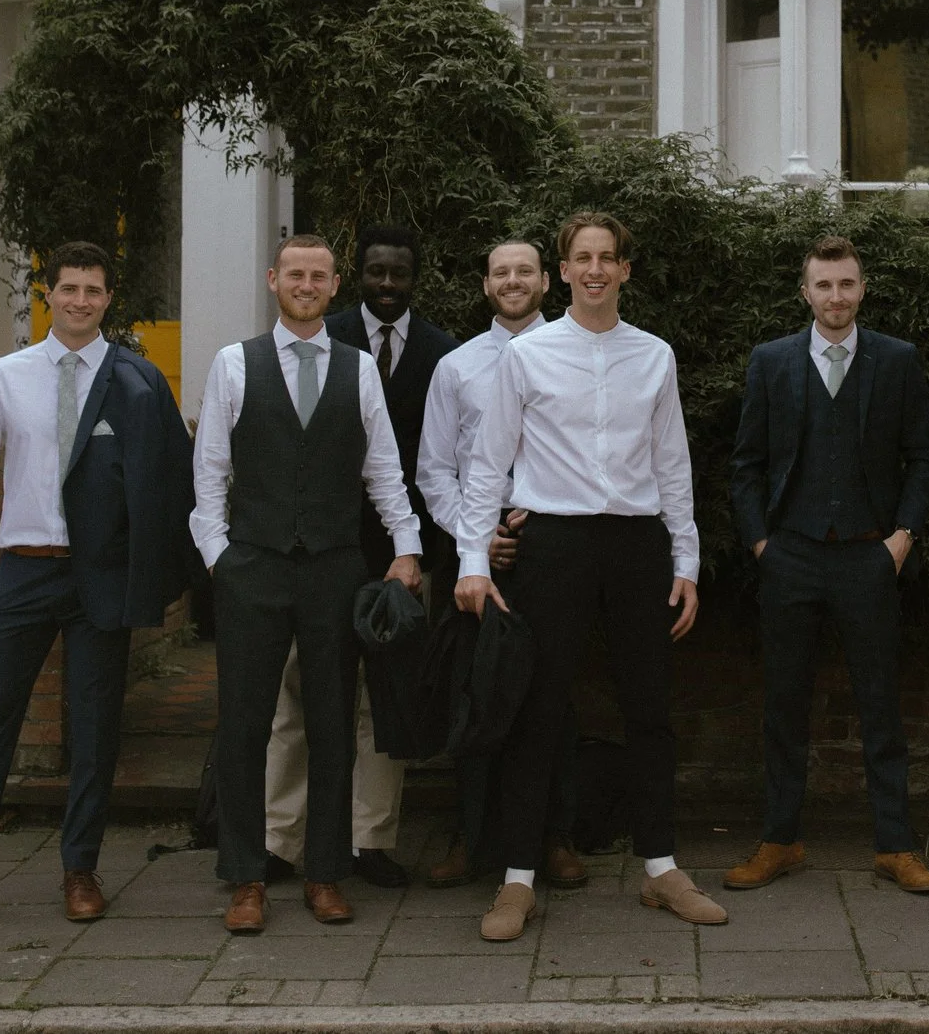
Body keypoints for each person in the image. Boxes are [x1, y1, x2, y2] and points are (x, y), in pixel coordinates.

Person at [0, 242, 194, 928]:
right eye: (69, 288)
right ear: (47, 293)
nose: (81, 300)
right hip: (23, 569)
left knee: (96, 729)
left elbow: (172, 483)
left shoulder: (138, 381)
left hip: (101, 574)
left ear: (109, 298)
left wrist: (157, 572)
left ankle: (80, 868)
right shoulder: (6, 376)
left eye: (94, 289)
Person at [453, 212, 726, 942]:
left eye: (609, 257)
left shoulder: (654, 356)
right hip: (553, 542)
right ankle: (517, 879)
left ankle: (661, 867)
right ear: (565, 271)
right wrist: (473, 560)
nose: (597, 269)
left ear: (625, 270)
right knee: (536, 709)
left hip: (637, 544)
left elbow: (673, 464)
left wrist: (686, 560)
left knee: (649, 707)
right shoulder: (527, 355)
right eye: (584, 257)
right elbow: (488, 464)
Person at [192, 234, 424, 933]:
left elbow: (384, 471)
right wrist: (219, 558)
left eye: (318, 275)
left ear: (333, 285)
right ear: (274, 279)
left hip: (333, 567)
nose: (306, 284)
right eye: (295, 273)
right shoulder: (234, 363)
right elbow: (210, 472)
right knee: (244, 726)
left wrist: (406, 548)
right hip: (253, 567)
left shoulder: (358, 369)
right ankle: (246, 876)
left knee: (331, 724)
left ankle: (325, 872)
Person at [724, 237, 929, 897]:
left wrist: (901, 538)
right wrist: (761, 543)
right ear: (806, 293)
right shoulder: (772, 361)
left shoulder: (896, 360)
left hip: (868, 555)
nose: (836, 296)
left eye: (847, 283)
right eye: (824, 285)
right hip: (790, 554)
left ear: (862, 288)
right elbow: (747, 463)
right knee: (784, 703)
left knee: (881, 704)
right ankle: (780, 838)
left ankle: (895, 845)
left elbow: (923, 456)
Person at [255, 225, 457, 890]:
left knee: (384, 701)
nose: (388, 284)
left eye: (400, 273)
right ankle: (279, 839)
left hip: (402, 558)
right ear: (356, 277)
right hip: (319, 548)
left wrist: (413, 550)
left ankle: (371, 838)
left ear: (415, 278)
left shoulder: (442, 354)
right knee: (294, 695)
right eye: (376, 272)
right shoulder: (324, 334)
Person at [414, 237, 587, 890]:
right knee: (476, 694)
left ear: (546, 281)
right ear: (486, 285)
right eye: (500, 272)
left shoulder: (577, 356)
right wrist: (476, 535)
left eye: (524, 271)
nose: (513, 281)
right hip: (477, 555)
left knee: (554, 694)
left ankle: (553, 835)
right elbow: (434, 470)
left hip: (554, 547)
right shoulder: (456, 367)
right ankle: (471, 834)